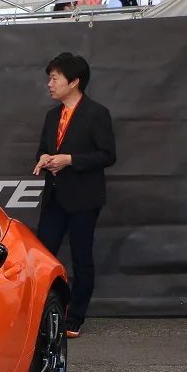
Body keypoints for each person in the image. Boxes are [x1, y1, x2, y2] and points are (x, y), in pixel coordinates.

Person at [32, 52, 116, 338]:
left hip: (84, 198)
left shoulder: (96, 113)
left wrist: (70, 160)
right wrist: (44, 158)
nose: (49, 84)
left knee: (82, 256)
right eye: (49, 79)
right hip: (54, 197)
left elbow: (107, 155)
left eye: (54, 78)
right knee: (42, 257)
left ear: (74, 81)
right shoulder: (51, 115)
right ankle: (40, 310)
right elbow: (43, 149)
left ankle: (75, 316)